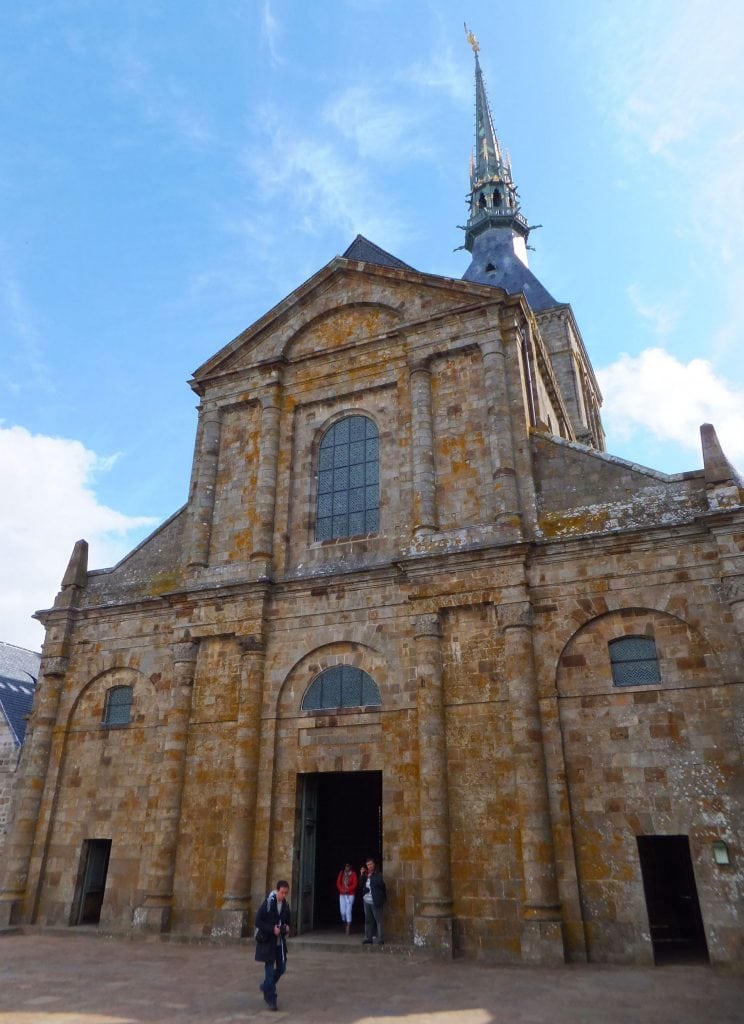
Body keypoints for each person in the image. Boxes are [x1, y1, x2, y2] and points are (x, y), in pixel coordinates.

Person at [254, 880, 291, 1012]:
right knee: (269, 972)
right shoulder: (268, 903)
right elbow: (258, 921)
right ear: (277, 890)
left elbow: (288, 920)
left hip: (280, 944)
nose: (284, 895)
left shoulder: (285, 904)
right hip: (268, 944)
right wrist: (272, 929)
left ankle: (265, 986)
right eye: (282, 892)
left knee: (281, 968)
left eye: (286, 893)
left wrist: (287, 927)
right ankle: (271, 999)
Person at [359, 857, 386, 946]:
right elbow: (361, 884)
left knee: (379, 920)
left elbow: (379, 883)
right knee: (368, 920)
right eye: (368, 865)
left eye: (371, 864)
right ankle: (368, 938)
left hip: (375, 900)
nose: (369, 866)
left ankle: (381, 939)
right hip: (366, 900)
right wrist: (362, 874)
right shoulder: (366, 874)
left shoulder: (378, 874)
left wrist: (371, 877)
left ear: (374, 864)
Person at [336, 861, 358, 935]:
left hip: (350, 895)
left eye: (348, 866)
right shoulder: (341, 873)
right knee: (343, 912)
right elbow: (338, 883)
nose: (347, 867)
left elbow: (355, 884)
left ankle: (348, 927)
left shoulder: (353, 874)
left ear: (350, 867)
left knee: (348, 910)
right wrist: (342, 890)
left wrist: (347, 890)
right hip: (342, 894)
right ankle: (345, 924)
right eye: (346, 866)